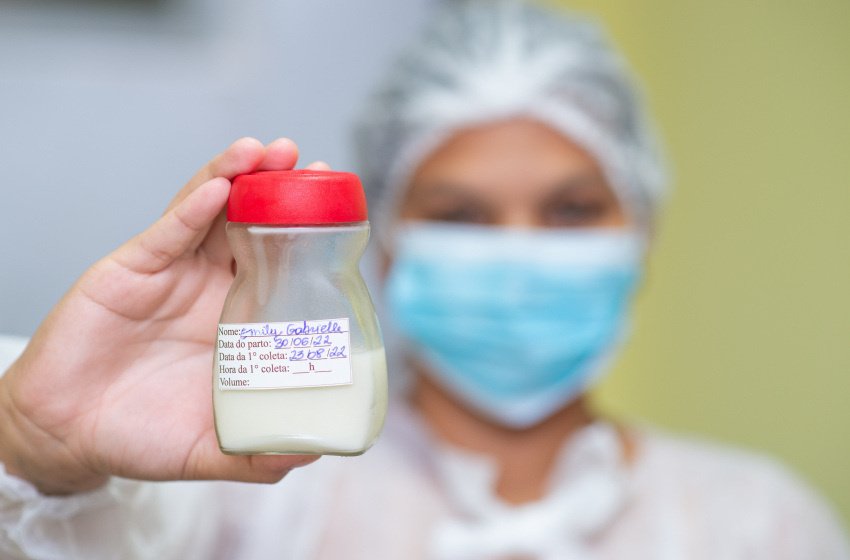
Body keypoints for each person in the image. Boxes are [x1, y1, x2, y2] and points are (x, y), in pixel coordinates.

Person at [0, 1, 847, 558]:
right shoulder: (233, 498)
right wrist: (33, 446)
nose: (517, 254)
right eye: (462, 214)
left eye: (570, 210)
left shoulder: (762, 525)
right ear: (386, 241)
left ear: (641, 229)